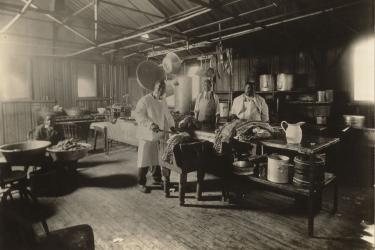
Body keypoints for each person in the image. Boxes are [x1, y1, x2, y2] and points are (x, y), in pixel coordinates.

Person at [135, 79, 176, 193]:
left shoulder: (163, 100)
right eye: (159, 88)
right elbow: (138, 115)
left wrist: (172, 126)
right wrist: (150, 124)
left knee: (156, 158)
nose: (160, 91)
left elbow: (167, 115)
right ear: (154, 88)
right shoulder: (145, 100)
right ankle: (140, 183)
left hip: (157, 134)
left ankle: (157, 179)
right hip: (146, 134)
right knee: (144, 159)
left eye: (163, 89)